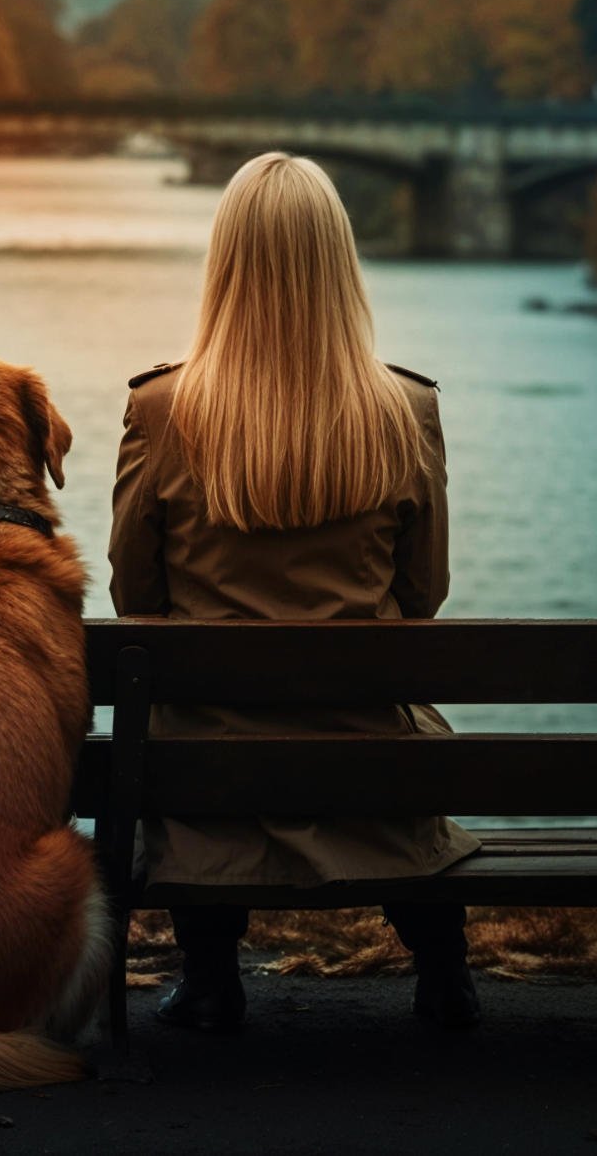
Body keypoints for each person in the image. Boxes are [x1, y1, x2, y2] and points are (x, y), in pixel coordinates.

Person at [109, 151, 481, 1033]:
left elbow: (135, 598)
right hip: (368, 773)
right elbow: (423, 595)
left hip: (211, 782)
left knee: (191, 733)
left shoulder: (162, 412)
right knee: (398, 733)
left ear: (225, 265)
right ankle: (443, 972)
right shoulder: (406, 411)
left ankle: (208, 978)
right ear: (339, 264)